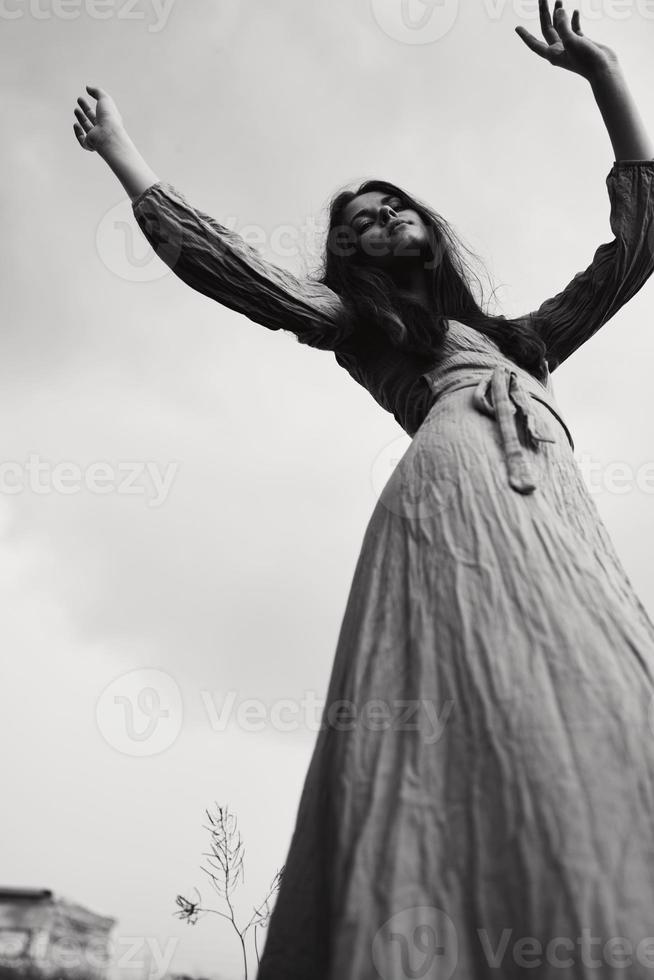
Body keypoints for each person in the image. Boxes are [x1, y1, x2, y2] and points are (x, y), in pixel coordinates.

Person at [73, 2, 654, 977]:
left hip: (558, 509)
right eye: (357, 221)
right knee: (482, 689)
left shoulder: (526, 339)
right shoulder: (357, 322)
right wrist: (125, 157)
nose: (380, 218)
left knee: (597, 682)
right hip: (455, 491)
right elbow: (235, 271)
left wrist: (606, 81)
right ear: (348, 254)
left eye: (393, 205)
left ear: (428, 226)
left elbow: (638, 246)